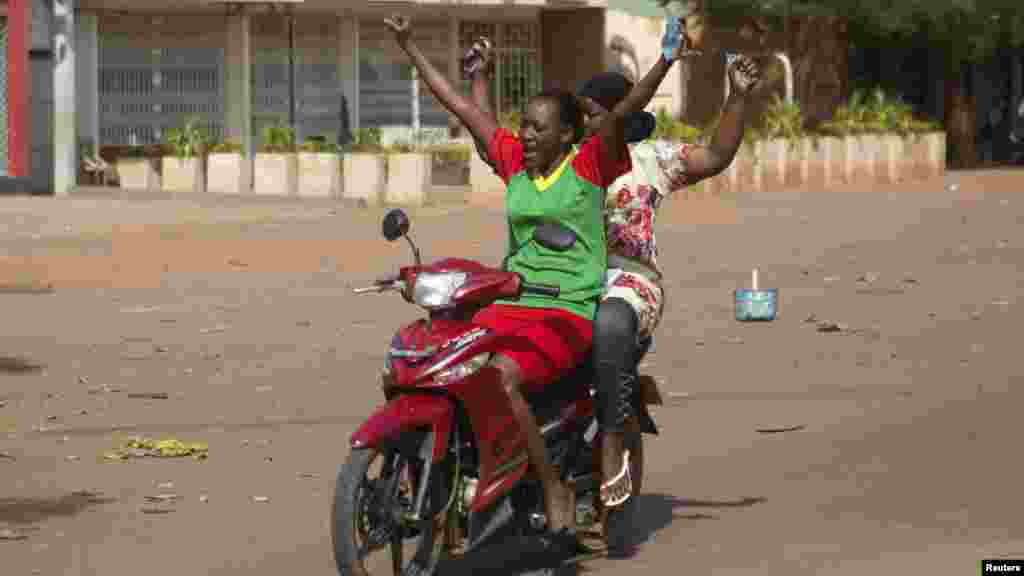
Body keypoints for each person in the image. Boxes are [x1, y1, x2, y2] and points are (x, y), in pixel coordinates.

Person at [466, 7, 762, 553]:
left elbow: (717, 153)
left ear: (625, 119)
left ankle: (611, 439)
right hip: (554, 287)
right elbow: (488, 138)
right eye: (586, 113)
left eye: (602, 113)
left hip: (628, 281)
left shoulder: (649, 161)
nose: (593, 122)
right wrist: (478, 77)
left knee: (609, 317)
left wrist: (738, 95)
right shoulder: (555, 160)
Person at [385, 14, 680, 549]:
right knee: (447, 359)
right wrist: (410, 48)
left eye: (538, 128)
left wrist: (665, 60)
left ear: (567, 134)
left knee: (500, 375)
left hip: (567, 310)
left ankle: (553, 490)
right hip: (512, 305)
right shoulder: (516, 165)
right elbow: (462, 106)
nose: (525, 134)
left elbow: (624, 113)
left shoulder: (589, 165)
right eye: (523, 125)